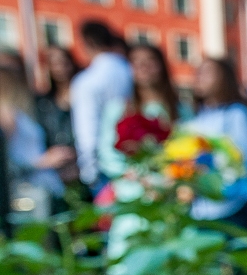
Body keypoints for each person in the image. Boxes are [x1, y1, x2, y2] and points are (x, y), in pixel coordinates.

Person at [184, 58, 247, 228]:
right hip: (199, 211)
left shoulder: (236, 114)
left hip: (231, 210)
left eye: (207, 72)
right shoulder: (196, 117)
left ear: (224, 78)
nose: (199, 76)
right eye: (198, 71)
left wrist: (211, 171)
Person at [98, 44, 185, 179]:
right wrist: (125, 172)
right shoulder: (117, 108)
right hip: (131, 188)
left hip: (172, 185)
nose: (143, 66)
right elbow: (106, 151)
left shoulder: (181, 110)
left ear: (161, 65)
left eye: (150, 60)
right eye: (136, 62)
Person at [0, 66, 75, 219]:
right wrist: (41, 162)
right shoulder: (6, 114)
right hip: (31, 192)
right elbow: (6, 161)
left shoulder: (17, 110)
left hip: (45, 186)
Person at [70, 21, 133, 190]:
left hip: (104, 166)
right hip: (135, 160)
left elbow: (87, 126)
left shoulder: (87, 80)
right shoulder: (130, 71)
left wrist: (88, 169)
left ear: (86, 42)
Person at [36, 47, 81, 190]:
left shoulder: (84, 97)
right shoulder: (43, 102)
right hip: (55, 170)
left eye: (62, 62)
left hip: (82, 165)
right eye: (53, 63)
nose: (59, 68)